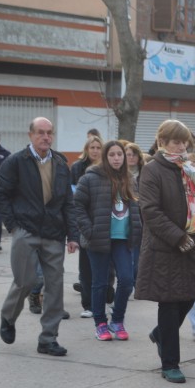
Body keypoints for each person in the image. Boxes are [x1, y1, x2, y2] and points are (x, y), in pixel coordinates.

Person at [0, 117, 79, 357]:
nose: (46, 137)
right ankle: (8, 317)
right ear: (30, 135)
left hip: (53, 233)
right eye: (41, 132)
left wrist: (72, 235)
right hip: (26, 229)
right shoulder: (15, 162)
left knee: (55, 286)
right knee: (25, 281)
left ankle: (48, 338)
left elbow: (67, 203)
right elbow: (1, 196)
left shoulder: (61, 164)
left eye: (49, 133)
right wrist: (13, 226)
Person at [137, 120, 195, 383]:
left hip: (192, 241)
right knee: (169, 303)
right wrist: (177, 237)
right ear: (162, 143)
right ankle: (170, 363)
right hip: (165, 247)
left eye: (183, 142)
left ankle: (160, 334)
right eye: (175, 142)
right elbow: (150, 211)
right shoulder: (152, 170)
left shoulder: (188, 168)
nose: (181, 146)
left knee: (191, 296)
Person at [73, 140, 140, 342]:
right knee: (99, 283)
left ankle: (117, 320)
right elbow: (77, 206)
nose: (117, 158)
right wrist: (89, 230)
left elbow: (137, 208)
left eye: (120, 154)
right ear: (105, 157)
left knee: (127, 281)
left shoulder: (130, 179)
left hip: (123, 239)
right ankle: (100, 323)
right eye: (112, 155)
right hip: (98, 238)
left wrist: (138, 230)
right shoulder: (90, 178)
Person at [71, 135, 103, 318]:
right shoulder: (77, 168)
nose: (95, 151)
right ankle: (88, 304)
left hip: (104, 221)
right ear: (87, 149)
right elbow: (74, 195)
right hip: (84, 220)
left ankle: (104, 298)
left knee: (107, 269)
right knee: (86, 267)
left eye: (98, 147)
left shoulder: (107, 168)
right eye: (92, 147)